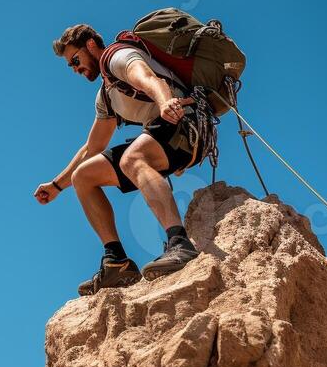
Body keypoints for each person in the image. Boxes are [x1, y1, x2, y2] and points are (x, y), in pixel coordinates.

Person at [34, 24, 204, 297]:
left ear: (91, 45)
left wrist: (164, 103)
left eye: (75, 60)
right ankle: (117, 263)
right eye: (70, 66)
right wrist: (56, 186)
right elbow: (92, 147)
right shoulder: (106, 94)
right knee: (84, 176)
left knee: (131, 159)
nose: (75, 68)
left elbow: (149, 79)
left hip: (184, 122)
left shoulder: (117, 57)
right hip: (161, 132)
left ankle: (179, 243)